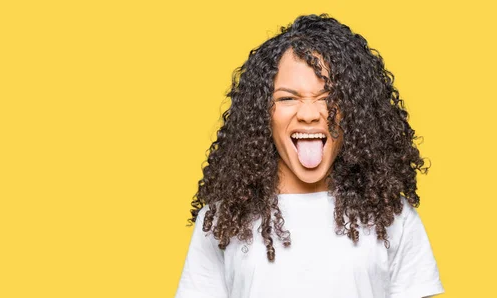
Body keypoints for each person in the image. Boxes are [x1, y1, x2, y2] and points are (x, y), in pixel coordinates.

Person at [175, 14, 444, 298]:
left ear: (354, 109)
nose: (308, 114)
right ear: (261, 114)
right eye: (287, 98)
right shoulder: (223, 219)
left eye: (328, 97)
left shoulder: (393, 218)